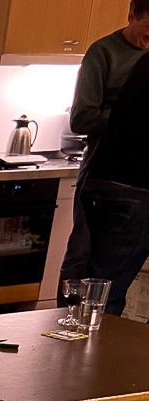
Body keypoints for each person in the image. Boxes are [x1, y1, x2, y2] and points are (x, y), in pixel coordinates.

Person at [58, 0, 149, 299]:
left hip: (136, 174)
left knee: (115, 272)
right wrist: (129, 115)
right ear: (131, 16)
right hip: (102, 166)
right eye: (148, 28)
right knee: (82, 252)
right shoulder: (104, 52)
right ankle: (64, 314)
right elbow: (81, 119)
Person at [80, 47, 149, 315]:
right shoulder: (107, 51)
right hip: (131, 190)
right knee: (104, 296)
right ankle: (91, 341)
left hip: (107, 184)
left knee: (99, 287)